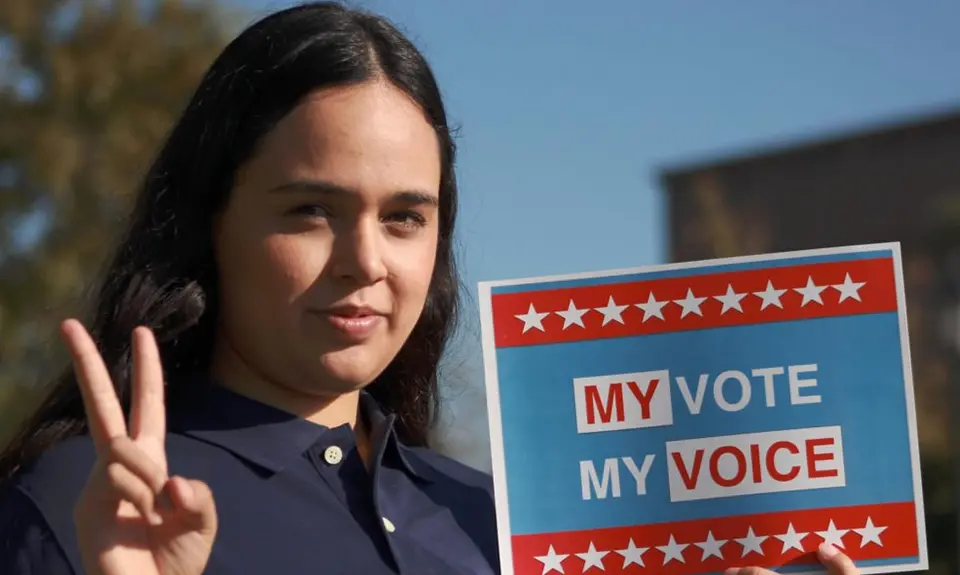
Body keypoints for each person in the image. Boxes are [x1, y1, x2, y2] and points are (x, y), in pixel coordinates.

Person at [0, 2, 863, 575]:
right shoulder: (83, 508)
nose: (364, 260)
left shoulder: (506, 526)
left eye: (406, 217)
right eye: (310, 209)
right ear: (208, 220)